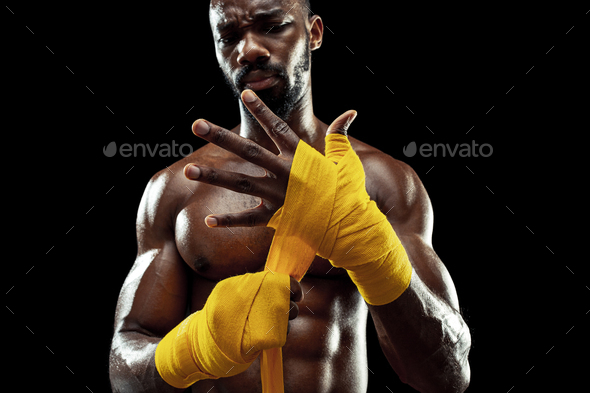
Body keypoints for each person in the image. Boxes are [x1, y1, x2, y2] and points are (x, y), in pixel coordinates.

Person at [108, 0, 472, 392]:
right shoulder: (177, 187)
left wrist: (367, 247)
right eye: (229, 37)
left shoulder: (382, 182)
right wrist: (194, 347)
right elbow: (125, 371)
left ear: (313, 33)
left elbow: (446, 375)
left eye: (272, 26)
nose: (248, 50)